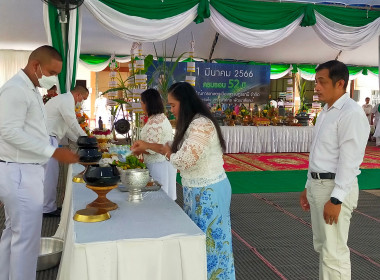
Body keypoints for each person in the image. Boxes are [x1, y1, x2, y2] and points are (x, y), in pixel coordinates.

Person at [132, 82, 235, 280]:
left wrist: (169, 153)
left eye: (173, 105)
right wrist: (149, 145)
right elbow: (172, 145)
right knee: (198, 242)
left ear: (185, 103)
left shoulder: (201, 124)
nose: (171, 111)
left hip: (209, 191)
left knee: (213, 245)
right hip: (196, 190)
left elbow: (185, 159)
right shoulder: (191, 122)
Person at [0, 45, 79, 280]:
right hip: (20, 171)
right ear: (36, 66)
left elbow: (34, 130)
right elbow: (8, 131)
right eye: (51, 72)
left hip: (26, 170)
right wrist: (52, 151)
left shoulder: (31, 89)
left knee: (13, 233)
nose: (53, 79)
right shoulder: (15, 90)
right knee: (26, 240)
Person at [299, 60, 369, 279]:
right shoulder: (327, 112)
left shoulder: (351, 113)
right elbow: (320, 155)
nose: (316, 87)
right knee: (324, 248)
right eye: (316, 81)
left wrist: (336, 199)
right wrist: (308, 186)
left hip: (334, 188)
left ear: (340, 84)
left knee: (334, 253)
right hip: (319, 186)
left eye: (322, 82)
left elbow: (349, 161)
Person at [43, 85, 89, 217]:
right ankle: (47, 208)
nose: (82, 102)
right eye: (83, 99)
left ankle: (48, 206)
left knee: (50, 174)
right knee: (50, 175)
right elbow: (72, 123)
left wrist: (81, 141)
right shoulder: (66, 100)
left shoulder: (64, 100)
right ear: (78, 95)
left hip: (49, 139)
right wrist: (86, 138)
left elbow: (68, 129)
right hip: (47, 139)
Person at [139, 88, 177, 200]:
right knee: (166, 197)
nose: (141, 106)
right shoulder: (160, 117)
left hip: (158, 165)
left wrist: (137, 149)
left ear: (148, 104)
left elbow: (151, 149)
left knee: (158, 198)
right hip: (164, 163)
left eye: (142, 103)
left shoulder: (155, 122)